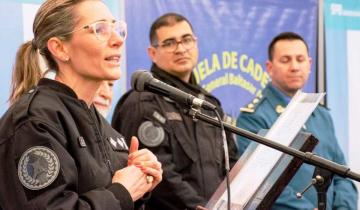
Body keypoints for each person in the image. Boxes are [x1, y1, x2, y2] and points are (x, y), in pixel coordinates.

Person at [0, 0, 162, 209]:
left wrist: (140, 184)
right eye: (100, 29)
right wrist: (122, 192)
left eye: (117, 28)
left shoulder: (102, 126)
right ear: (59, 48)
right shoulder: (36, 121)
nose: (117, 40)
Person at [111, 13, 238, 210]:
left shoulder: (209, 104)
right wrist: (199, 207)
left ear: (195, 43)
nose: (180, 49)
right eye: (169, 43)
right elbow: (160, 176)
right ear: (152, 53)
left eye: (186, 40)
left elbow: (231, 163)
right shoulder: (143, 102)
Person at [236, 32, 358, 209]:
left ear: (309, 64)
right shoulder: (254, 117)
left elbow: (341, 174)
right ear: (269, 67)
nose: (294, 67)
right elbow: (260, 183)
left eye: (300, 59)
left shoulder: (322, 114)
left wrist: (344, 207)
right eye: (285, 60)